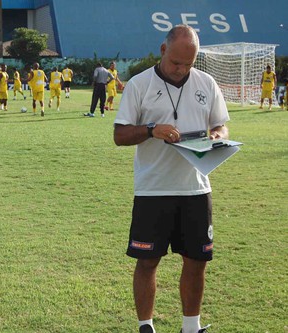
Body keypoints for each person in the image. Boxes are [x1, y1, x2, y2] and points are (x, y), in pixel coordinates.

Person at [113, 25, 230, 333]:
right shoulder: (139, 85)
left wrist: (218, 135)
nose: (181, 70)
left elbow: (220, 125)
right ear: (163, 51)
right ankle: (146, 326)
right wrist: (152, 130)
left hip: (196, 187)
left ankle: (191, 327)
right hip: (153, 190)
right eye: (176, 63)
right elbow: (120, 134)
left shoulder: (207, 83)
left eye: (188, 64)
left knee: (197, 261)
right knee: (148, 261)